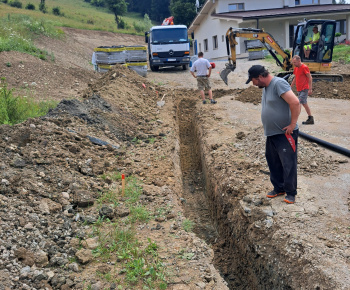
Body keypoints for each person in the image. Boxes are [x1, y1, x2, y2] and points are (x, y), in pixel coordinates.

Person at [246, 65, 300, 204]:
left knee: (288, 163)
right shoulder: (266, 87)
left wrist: (293, 124)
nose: (253, 84)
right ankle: (279, 188)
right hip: (272, 133)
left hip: (284, 133)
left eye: (253, 80)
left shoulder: (278, 83)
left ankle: (291, 192)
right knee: (273, 161)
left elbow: (295, 102)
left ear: (260, 77)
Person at [291, 55, 314, 125]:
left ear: (299, 61)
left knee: (299, 103)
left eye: (295, 62)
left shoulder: (304, 67)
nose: (294, 64)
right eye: (293, 62)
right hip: (299, 89)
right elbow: (295, 77)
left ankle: (294, 121)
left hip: (304, 89)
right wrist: (291, 86)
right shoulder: (296, 68)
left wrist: (310, 89)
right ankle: (310, 118)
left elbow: (310, 78)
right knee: (304, 103)